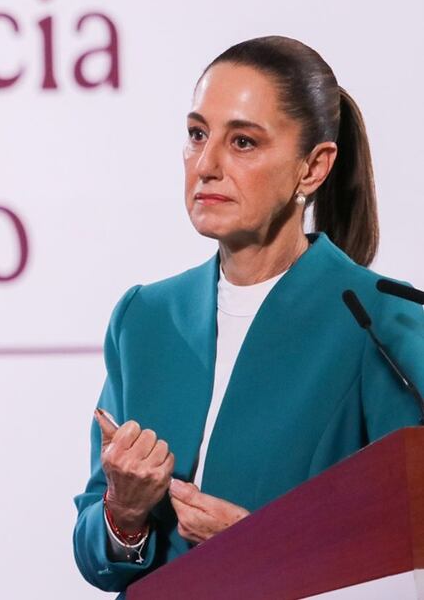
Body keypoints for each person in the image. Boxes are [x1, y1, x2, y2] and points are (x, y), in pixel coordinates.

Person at [71, 35, 424, 596]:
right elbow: (99, 556)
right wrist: (124, 512)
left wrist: (264, 548)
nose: (206, 165)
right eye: (197, 134)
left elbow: (408, 554)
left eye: (242, 142)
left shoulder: (383, 321)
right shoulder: (145, 316)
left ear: (313, 168)